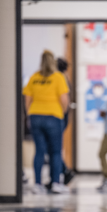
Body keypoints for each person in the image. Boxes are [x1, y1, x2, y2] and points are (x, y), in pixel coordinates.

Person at [23, 50, 69, 194]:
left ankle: (37, 184)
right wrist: (61, 113)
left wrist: (30, 115)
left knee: (39, 151)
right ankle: (55, 183)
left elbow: (27, 100)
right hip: (53, 116)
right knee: (55, 152)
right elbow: (64, 100)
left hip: (36, 116)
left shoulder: (34, 77)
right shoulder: (58, 77)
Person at [56, 58, 75, 185]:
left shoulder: (60, 80)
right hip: (62, 117)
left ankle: (65, 172)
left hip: (59, 117)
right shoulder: (65, 79)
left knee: (54, 149)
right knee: (54, 148)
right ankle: (62, 173)